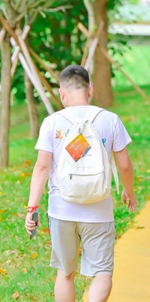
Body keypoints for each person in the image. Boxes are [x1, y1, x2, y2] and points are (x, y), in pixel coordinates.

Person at [24, 65, 136, 302]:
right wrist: (129, 191)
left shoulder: (52, 122)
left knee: (65, 273)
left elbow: (42, 167)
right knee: (102, 272)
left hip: (61, 209)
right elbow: (125, 165)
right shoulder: (110, 119)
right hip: (99, 210)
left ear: (62, 93)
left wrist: (32, 207)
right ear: (90, 90)